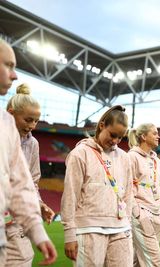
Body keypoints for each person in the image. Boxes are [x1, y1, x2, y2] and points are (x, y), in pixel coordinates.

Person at [0, 38, 57, 265]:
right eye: (8, 66)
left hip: (10, 226)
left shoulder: (6, 125)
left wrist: (36, 229)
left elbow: (24, 184)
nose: (15, 75)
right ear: (13, 111)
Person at [61, 105, 135, 266]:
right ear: (102, 125)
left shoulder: (124, 158)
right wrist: (69, 234)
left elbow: (128, 194)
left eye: (120, 138)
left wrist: (127, 224)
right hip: (88, 230)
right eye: (112, 135)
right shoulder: (80, 154)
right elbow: (70, 195)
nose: (115, 141)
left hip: (121, 230)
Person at [127, 123, 160, 267]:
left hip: (157, 213)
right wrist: (137, 212)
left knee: (138, 261)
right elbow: (126, 187)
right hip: (142, 213)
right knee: (154, 261)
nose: (158, 136)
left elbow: (158, 186)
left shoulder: (157, 160)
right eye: (154, 133)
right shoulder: (131, 157)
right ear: (143, 136)